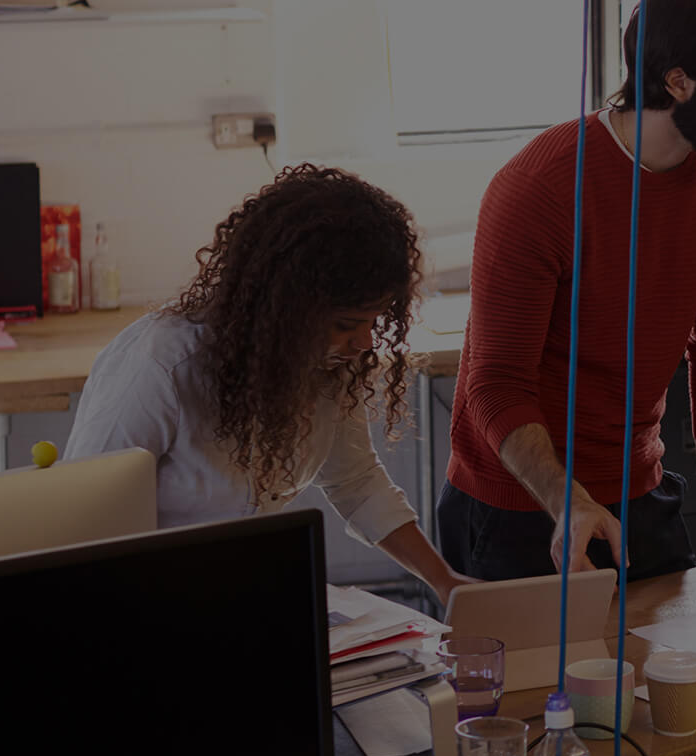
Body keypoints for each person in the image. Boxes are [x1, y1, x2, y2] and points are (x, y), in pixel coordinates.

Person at [438, 0, 696, 583]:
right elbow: (496, 384)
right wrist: (569, 502)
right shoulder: (540, 187)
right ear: (677, 82)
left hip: (637, 488)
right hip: (520, 504)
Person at [66, 164, 472, 606]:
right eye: (345, 324)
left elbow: (357, 481)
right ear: (287, 310)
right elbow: (87, 518)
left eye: (374, 322)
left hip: (245, 590)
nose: (365, 343)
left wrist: (444, 581)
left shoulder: (328, 364)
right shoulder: (162, 364)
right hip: (142, 597)